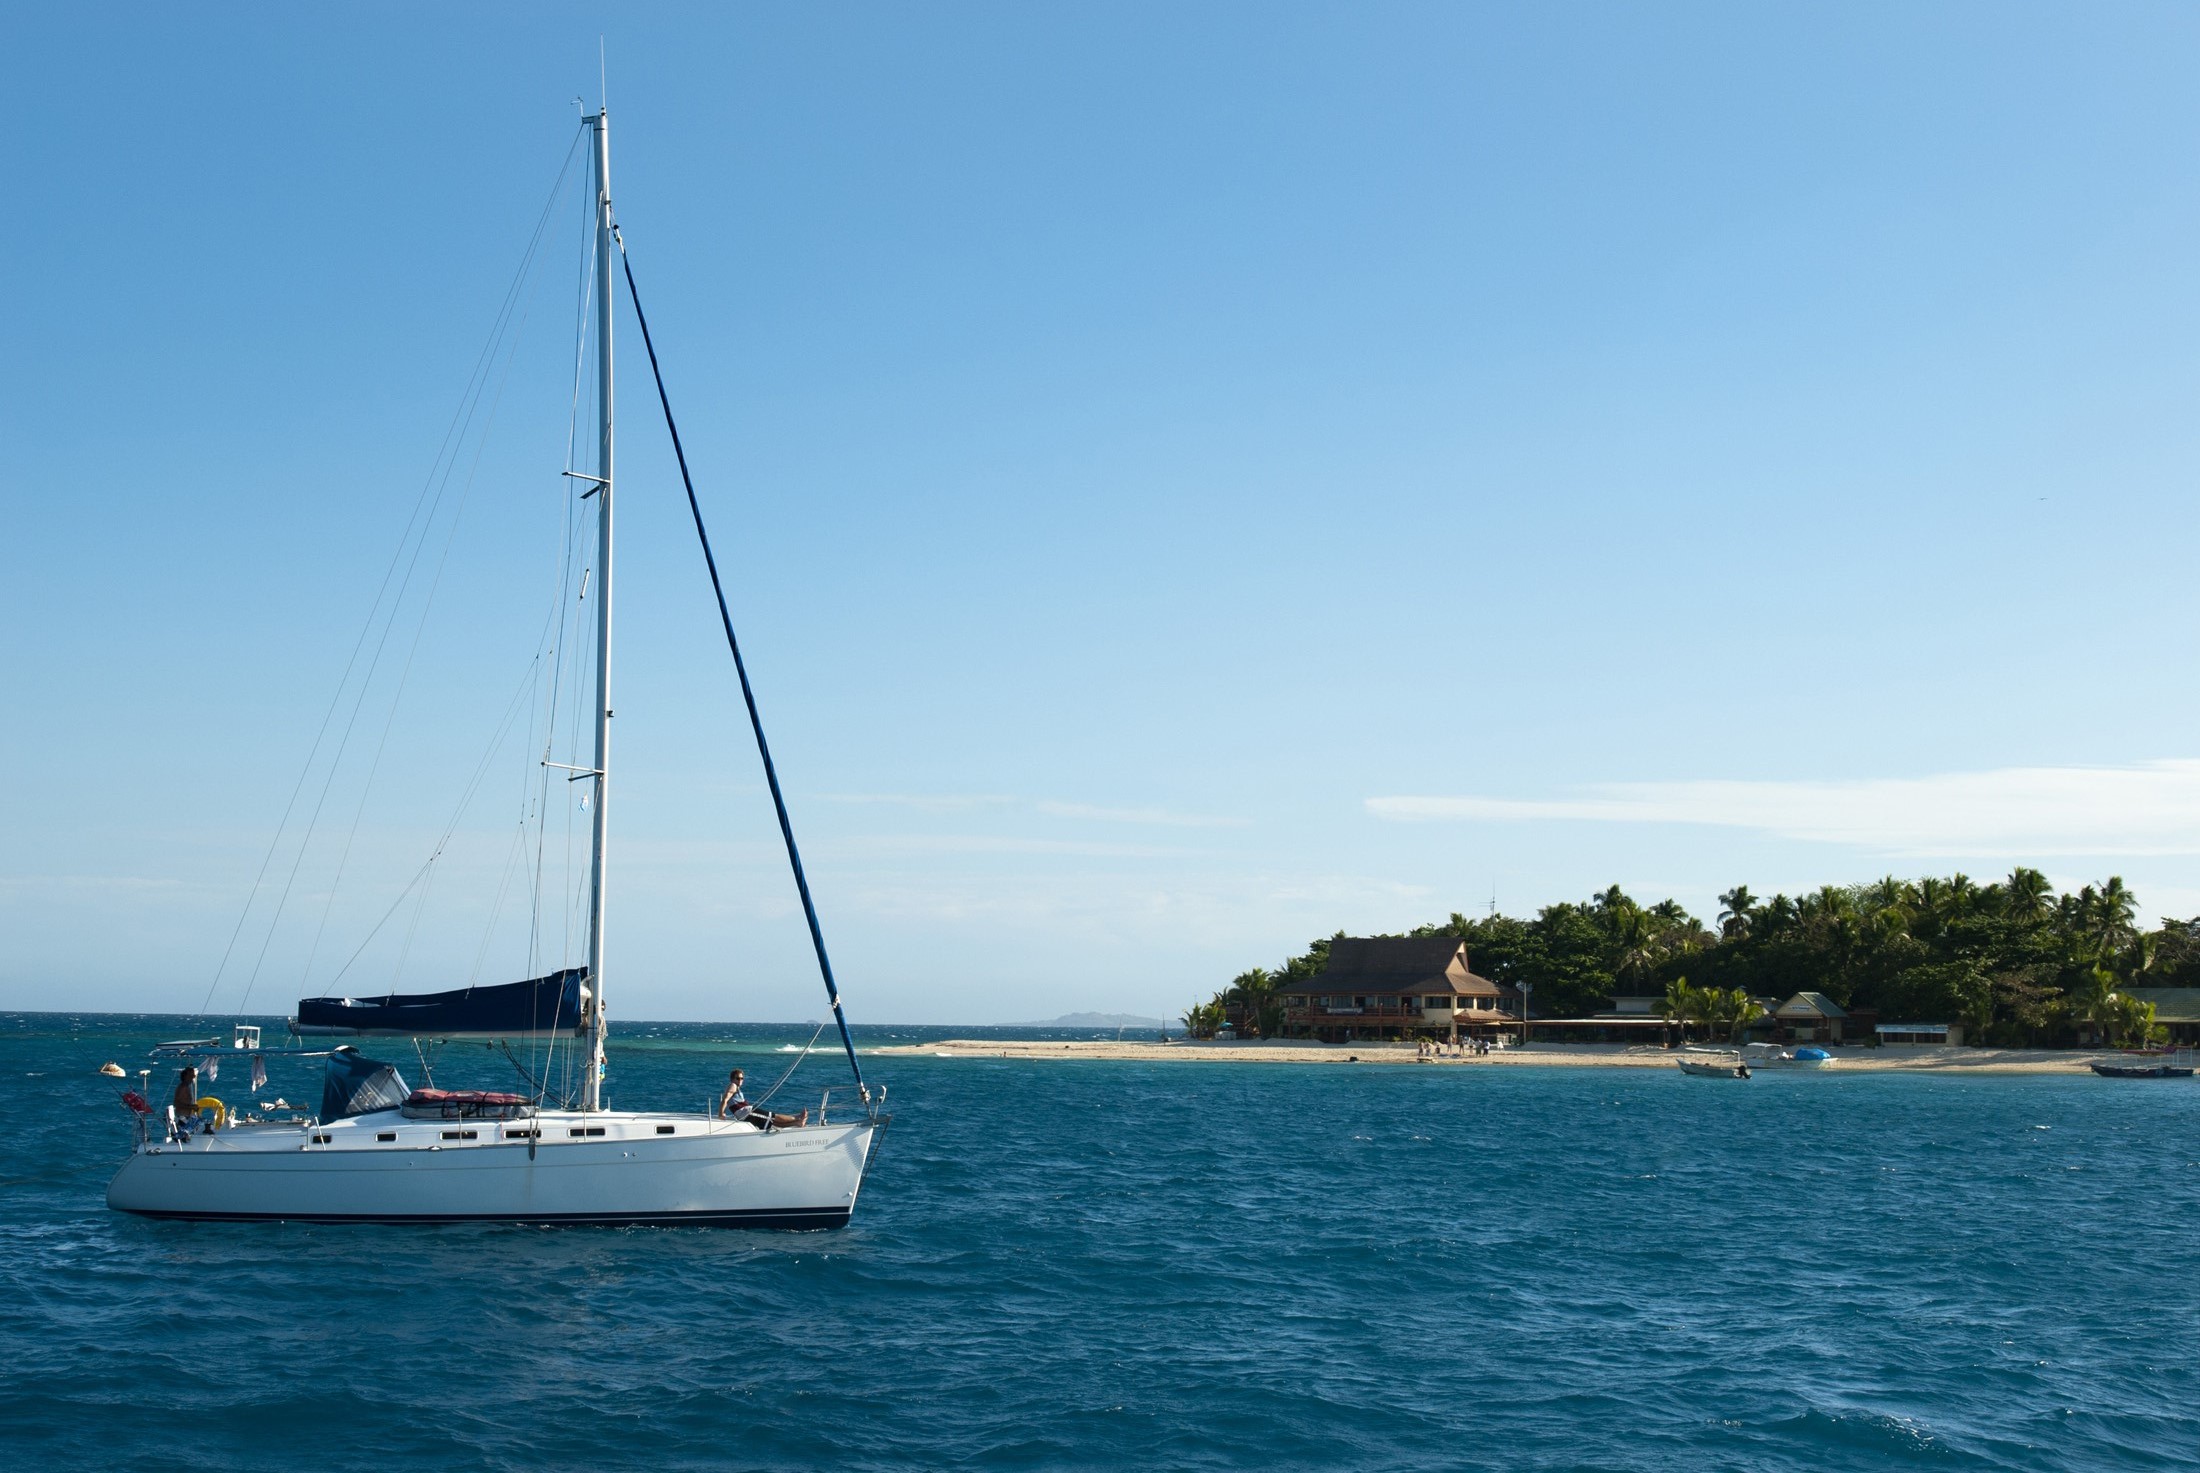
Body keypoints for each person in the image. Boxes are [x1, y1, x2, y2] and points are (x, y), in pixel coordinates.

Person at [717, 1068, 807, 1128]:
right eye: (738, 1078)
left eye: (742, 1078)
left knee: (770, 1123)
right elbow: (725, 1099)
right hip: (747, 1112)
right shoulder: (733, 1086)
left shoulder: (735, 1087)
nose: (740, 1080)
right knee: (773, 1116)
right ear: (732, 1079)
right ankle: (797, 1117)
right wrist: (721, 1114)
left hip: (746, 1113)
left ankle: (797, 1123)